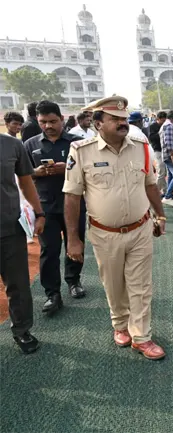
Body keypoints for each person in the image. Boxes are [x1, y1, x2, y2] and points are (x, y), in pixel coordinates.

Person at [63, 96, 167, 361]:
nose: (123, 123)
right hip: (104, 233)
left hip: (140, 229)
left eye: (124, 118)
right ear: (98, 123)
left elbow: (150, 185)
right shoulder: (81, 151)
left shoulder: (141, 147)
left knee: (141, 286)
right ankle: (120, 325)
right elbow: (72, 197)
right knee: (114, 284)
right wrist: (73, 239)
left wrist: (160, 215)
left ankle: (141, 337)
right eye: (115, 119)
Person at [24, 100, 87, 314]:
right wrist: (36, 172)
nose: (48, 126)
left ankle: (73, 280)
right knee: (49, 250)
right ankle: (52, 293)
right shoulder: (30, 144)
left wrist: (67, 169)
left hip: (74, 204)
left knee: (75, 242)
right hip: (45, 207)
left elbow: (89, 172)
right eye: (43, 122)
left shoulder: (77, 143)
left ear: (61, 119)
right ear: (38, 120)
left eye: (52, 121)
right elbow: (23, 175)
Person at [0, 133, 46, 354]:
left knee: (18, 284)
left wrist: (39, 213)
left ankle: (22, 330)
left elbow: (26, 182)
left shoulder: (12, 145)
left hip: (9, 228)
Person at [144, 111, 167, 195]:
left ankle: (165, 191)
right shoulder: (152, 126)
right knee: (161, 170)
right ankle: (156, 192)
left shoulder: (165, 126)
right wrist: (161, 134)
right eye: (162, 120)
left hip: (164, 150)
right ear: (158, 119)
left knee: (164, 172)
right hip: (157, 150)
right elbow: (151, 138)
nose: (164, 122)